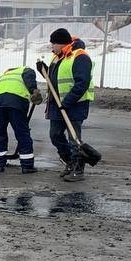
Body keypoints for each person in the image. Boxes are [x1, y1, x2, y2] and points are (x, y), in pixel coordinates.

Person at [45, 28, 95, 182]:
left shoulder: (79, 56)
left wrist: (67, 103)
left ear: (60, 44)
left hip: (74, 104)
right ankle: (69, 161)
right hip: (56, 105)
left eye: (53, 43)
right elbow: (55, 80)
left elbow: (82, 83)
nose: (51, 47)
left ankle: (78, 169)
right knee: (55, 135)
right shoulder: (57, 58)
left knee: (74, 138)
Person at [0, 65, 42, 174]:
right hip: (16, 100)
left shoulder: (6, 74)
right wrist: (34, 91)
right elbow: (29, 79)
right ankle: (27, 166)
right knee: (22, 133)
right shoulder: (26, 70)